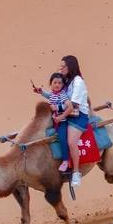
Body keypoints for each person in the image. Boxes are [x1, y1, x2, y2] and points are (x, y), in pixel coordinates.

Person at [54, 55, 93, 189]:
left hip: (78, 115)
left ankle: (76, 172)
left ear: (70, 66)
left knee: (71, 142)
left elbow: (74, 104)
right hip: (67, 114)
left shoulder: (77, 82)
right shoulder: (66, 81)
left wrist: (58, 109)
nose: (61, 68)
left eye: (63, 66)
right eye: (60, 66)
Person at [32, 72, 72, 172]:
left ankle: (66, 161)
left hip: (62, 121)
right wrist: (40, 92)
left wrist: (57, 107)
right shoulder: (53, 94)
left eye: (59, 83)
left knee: (62, 138)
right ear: (51, 84)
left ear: (62, 85)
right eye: (55, 82)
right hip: (54, 122)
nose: (57, 85)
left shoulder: (62, 95)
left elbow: (68, 105)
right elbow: (48, 95)